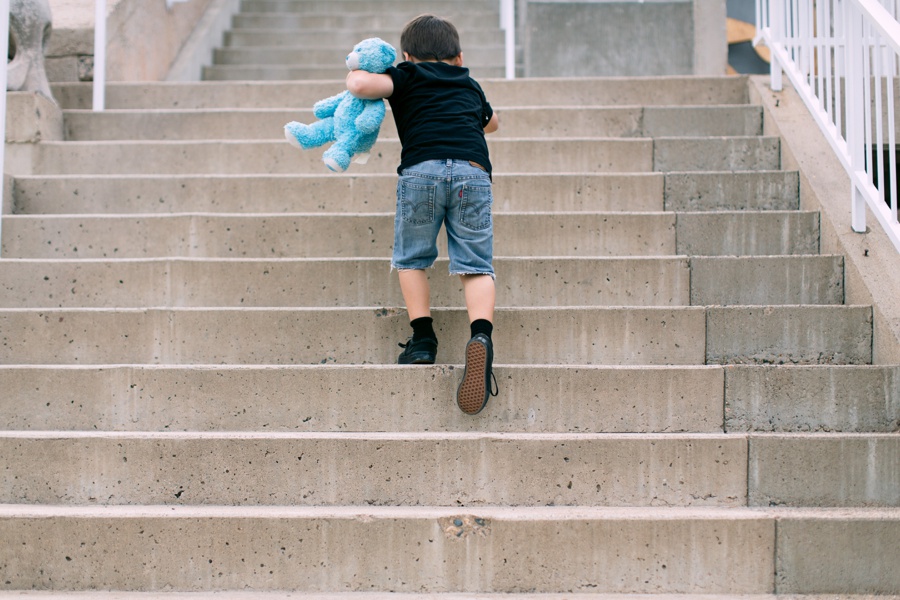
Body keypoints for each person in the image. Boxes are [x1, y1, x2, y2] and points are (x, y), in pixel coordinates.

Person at [346, 14, 500, 415]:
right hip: (473, 171)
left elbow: (361, 84)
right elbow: (493, 123)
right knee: (477, 267)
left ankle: (423, 340)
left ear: (407, 57)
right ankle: (481, 337)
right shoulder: (469, 83)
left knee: (412, 258)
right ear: (460, 55)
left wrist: (364, 75)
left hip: (422, 173)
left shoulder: (407, 77)